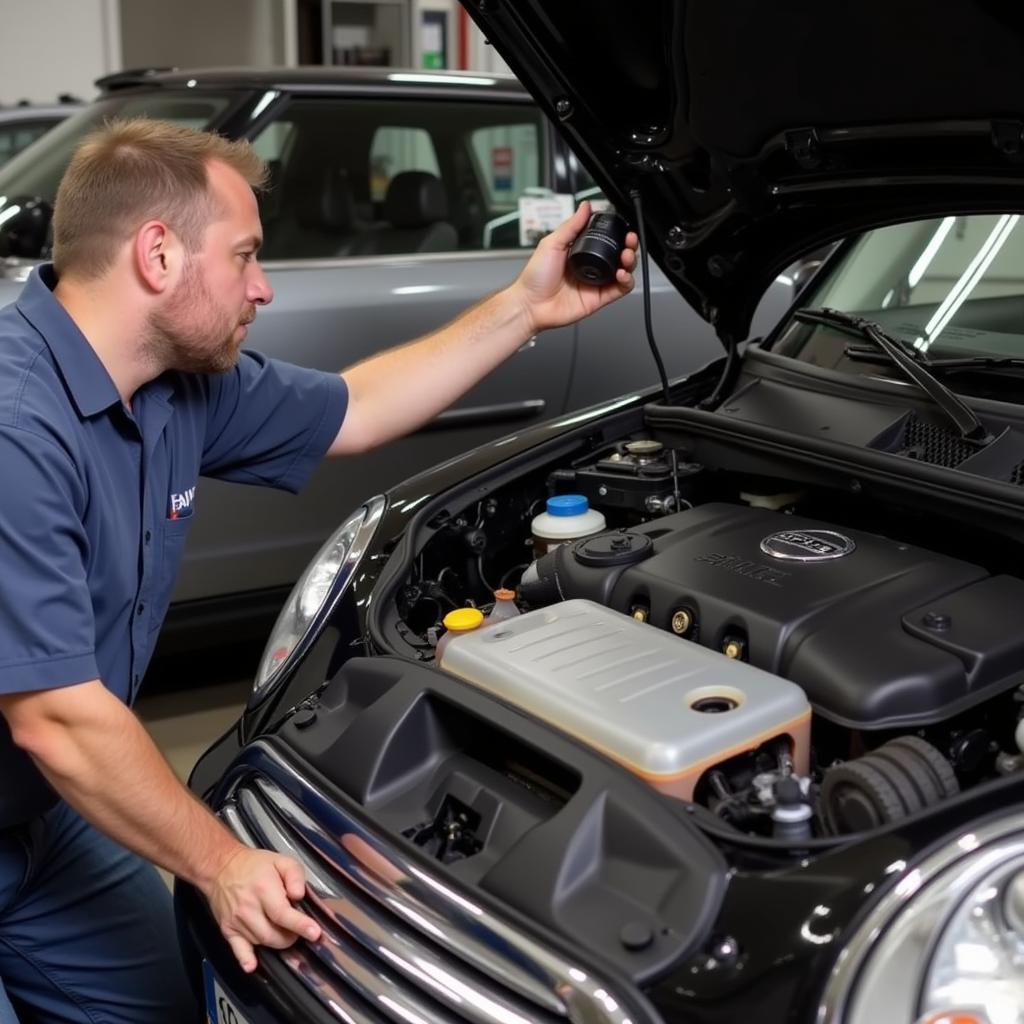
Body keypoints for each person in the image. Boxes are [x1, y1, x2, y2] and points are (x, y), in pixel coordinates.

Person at [0, 118, 636, 1023]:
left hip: (35, 816)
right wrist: (223, 863)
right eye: (246, 255)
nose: (261, 287)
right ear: (158, 256)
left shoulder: (174, 383)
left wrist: (528, 305)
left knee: (171, 1000)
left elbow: (357, 410)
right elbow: (61, 719)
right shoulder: (17, 426)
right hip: (45, 763)